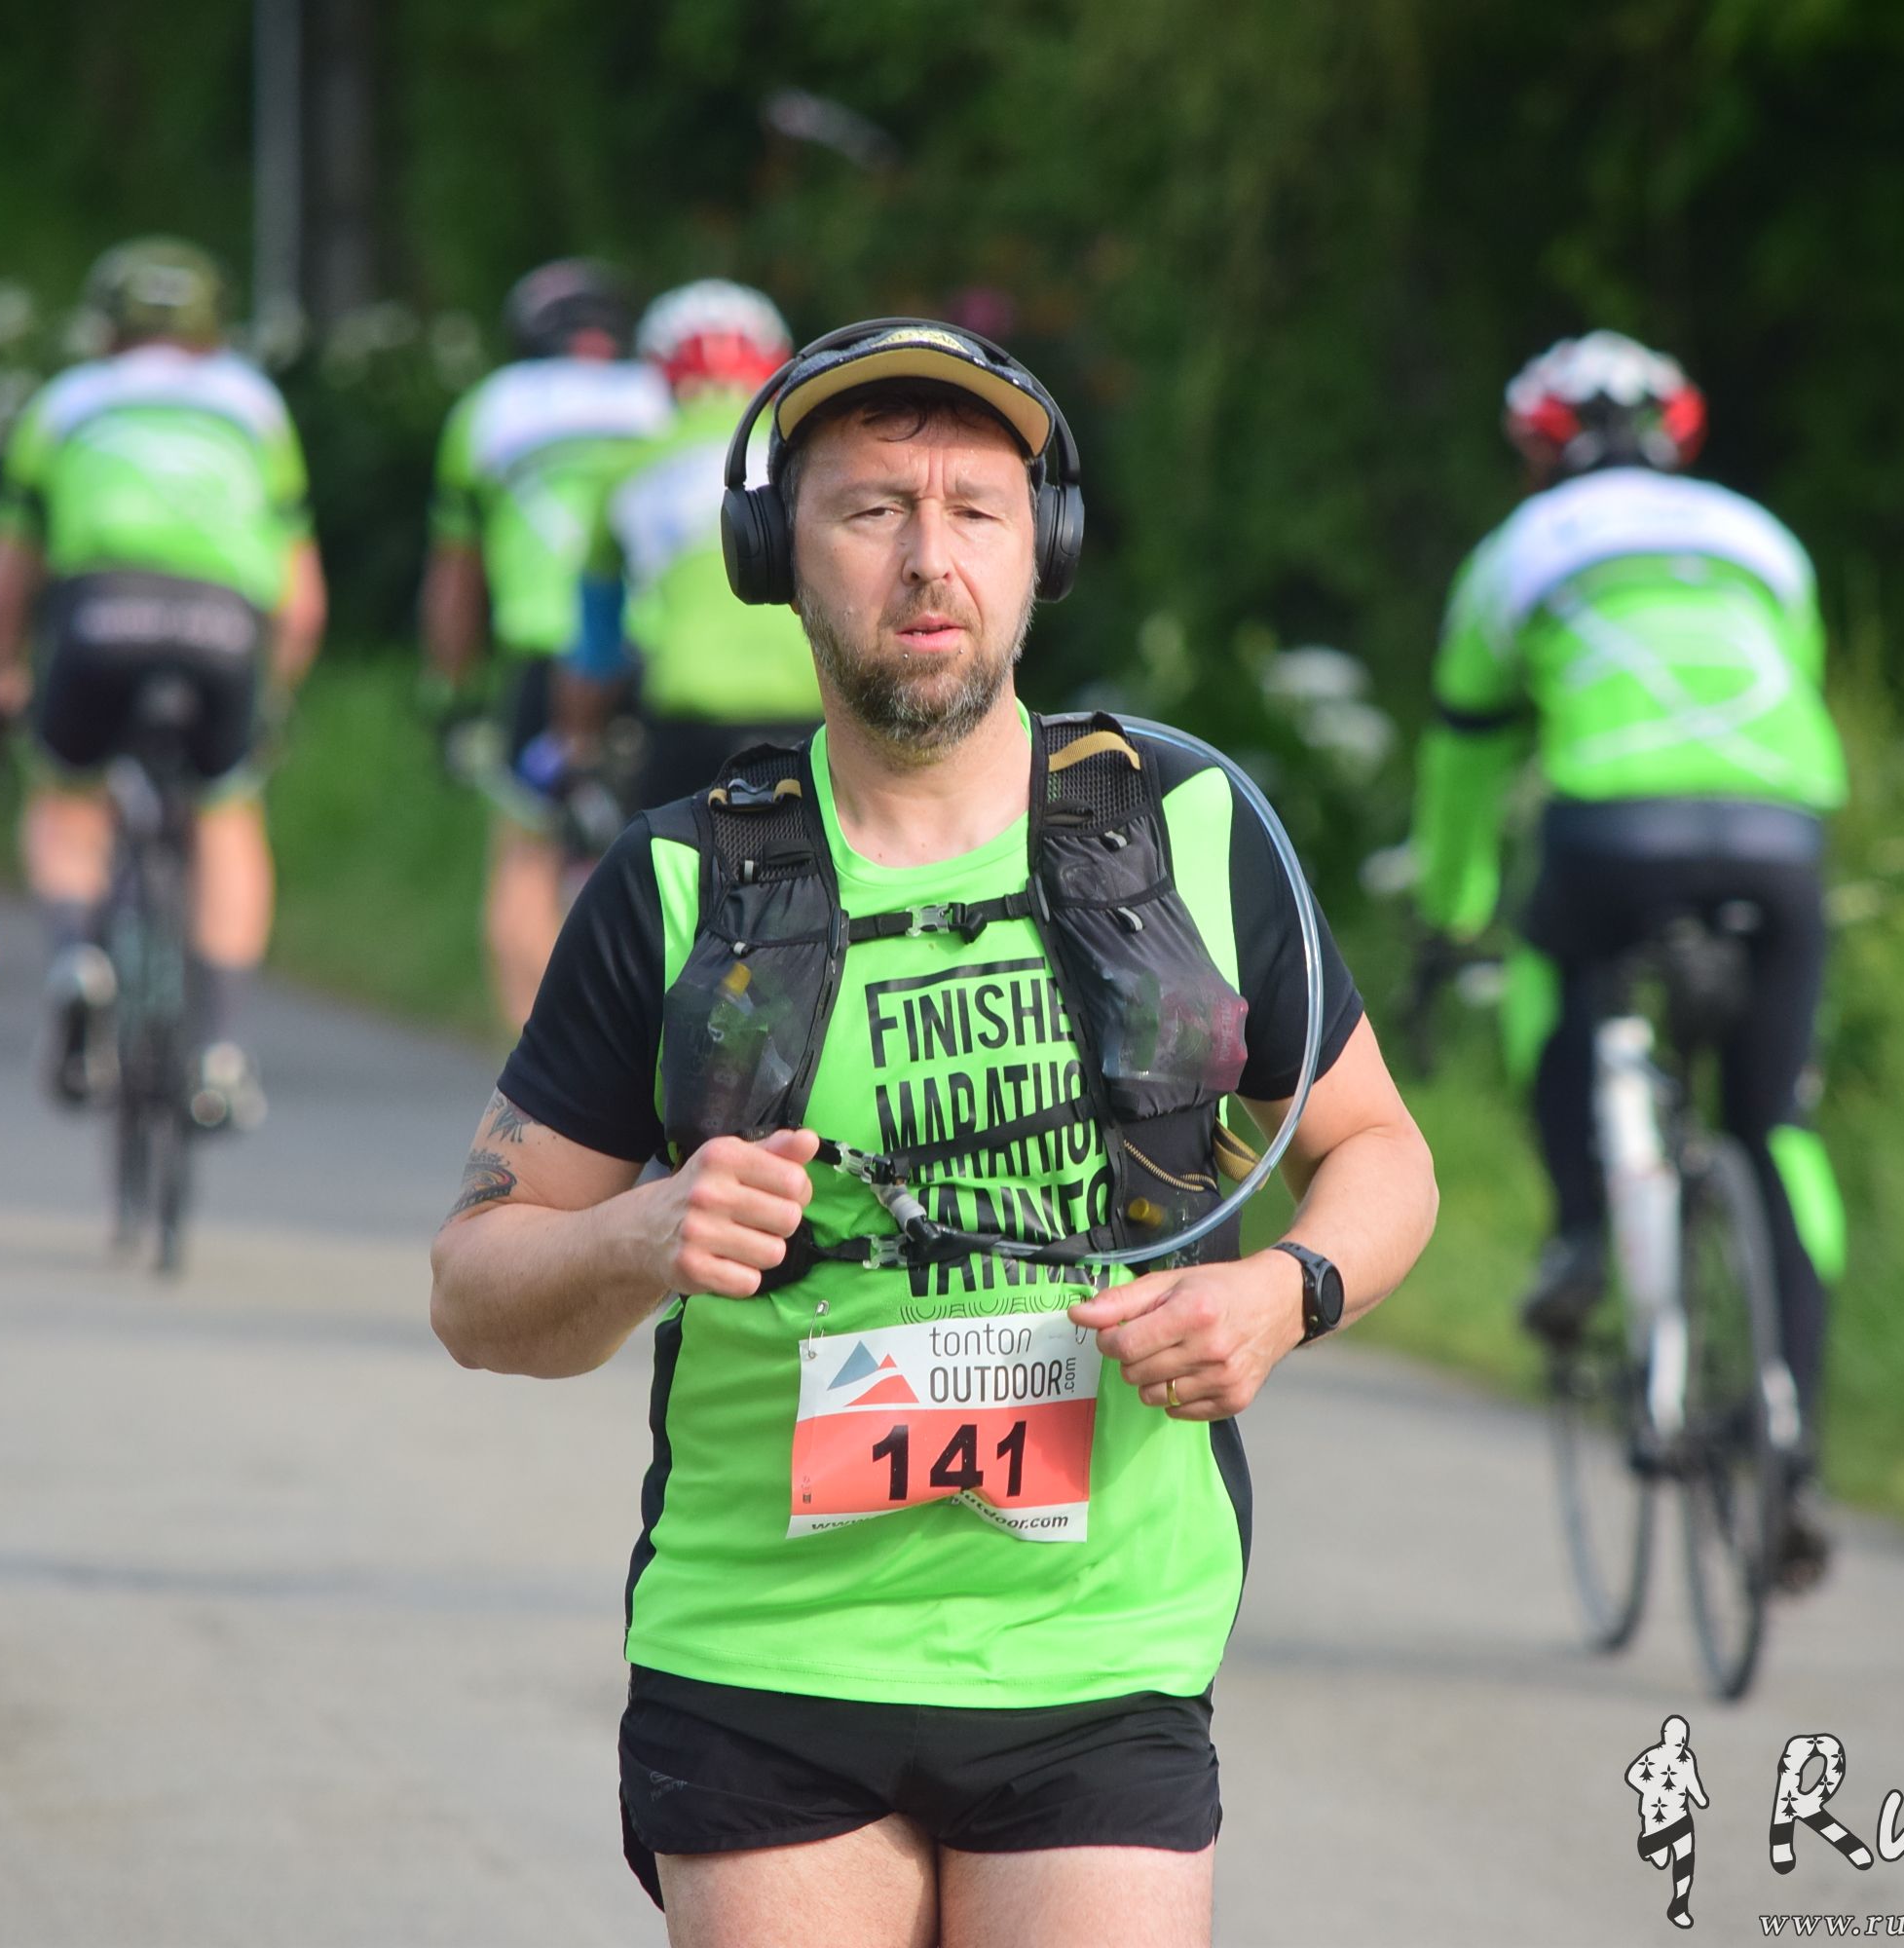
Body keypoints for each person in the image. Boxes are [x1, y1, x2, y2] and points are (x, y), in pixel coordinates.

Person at [430, 319, 1438, 1947]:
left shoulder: (1187, 831)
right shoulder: (679, 886)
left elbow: (1379, 1150)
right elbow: (477, 1291)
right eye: (870, 509)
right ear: (775, 556)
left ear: (1045, 552)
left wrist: (1284, 1292)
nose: (928, 558)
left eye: (977, 509)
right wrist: (638, 1235)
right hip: (761, 1663)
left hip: (1101, 1654)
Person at [1407, 328, 1849, 1586]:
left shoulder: (1519, 551)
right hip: (1781, 834)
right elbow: (1791, 691)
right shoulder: (1762, 538)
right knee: (1776, 1126)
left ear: (1537, 451)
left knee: (1554, 966)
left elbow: (1464, 762)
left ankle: (1579, 1234)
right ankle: (1791, 1436)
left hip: (1614, 831)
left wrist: (1451, 915)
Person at [0, 237, 324, 1129]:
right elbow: (302, 602)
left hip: (100, 610)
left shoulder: (66, 402)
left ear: (105, 329)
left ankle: (76, 957)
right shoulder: (254, 406)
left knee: (68, 796)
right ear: (213, 330)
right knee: (227, 811)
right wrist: (273, 701)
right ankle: (222, 1047)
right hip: (223, 622)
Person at [422, 257, 670, 1026]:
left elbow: (457, 578)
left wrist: (450, 695)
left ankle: (533, 1069)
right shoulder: (659, 397)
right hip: (661, 655)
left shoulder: (490, 407)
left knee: (525, 862)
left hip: (548, 656)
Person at [579, 279, 823, 812]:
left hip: (685, 714)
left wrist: (576, 744)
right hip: (811, 712)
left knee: (660, 863)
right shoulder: (813, 456)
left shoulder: (623, 469)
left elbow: (596, 650)